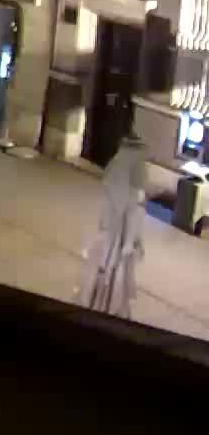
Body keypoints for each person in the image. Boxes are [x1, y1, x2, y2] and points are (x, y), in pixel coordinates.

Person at [80, 133, 147, 318]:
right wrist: (134, 240)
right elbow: (134, 208)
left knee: (108, 270)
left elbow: (112, 200)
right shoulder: (134, 171)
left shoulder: (117, 164)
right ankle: (110, 308)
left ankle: (102, 304)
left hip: (114, 231)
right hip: (120, 233)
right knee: (114, 272)